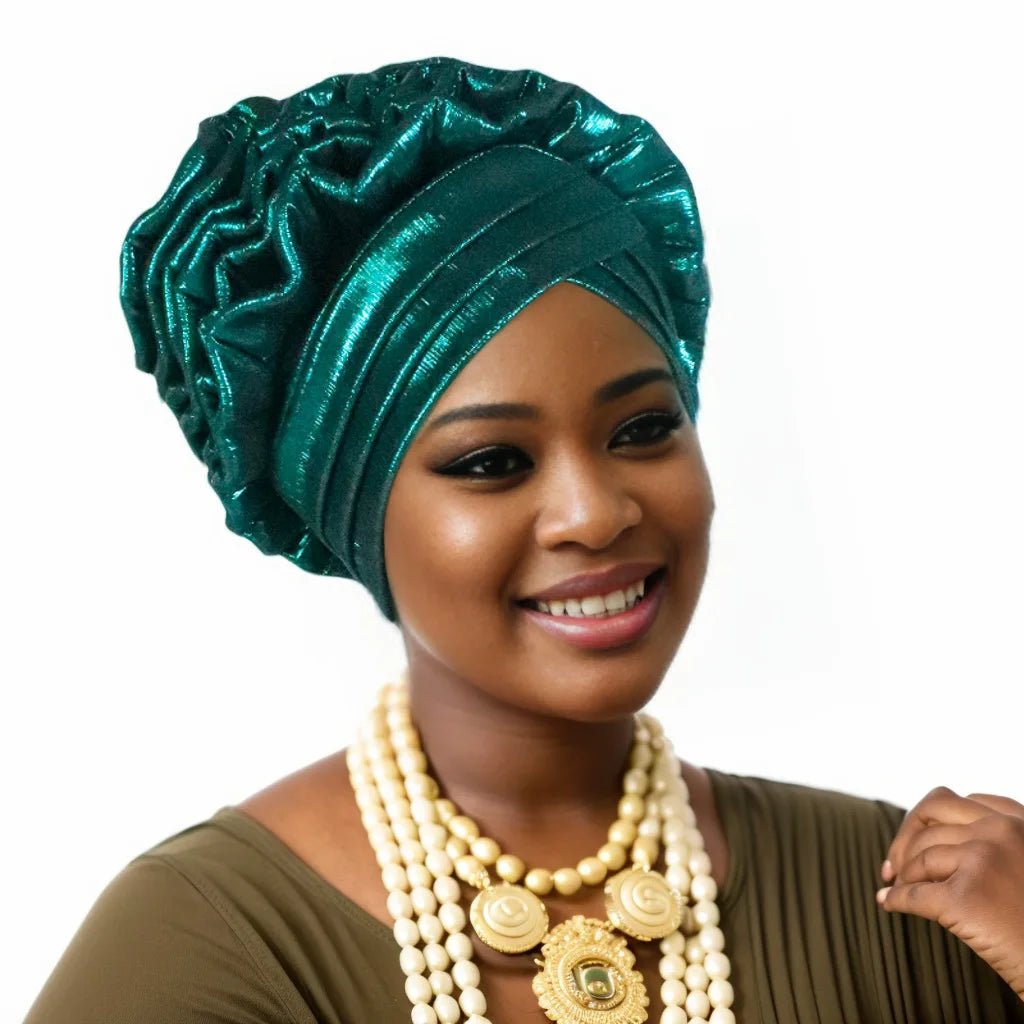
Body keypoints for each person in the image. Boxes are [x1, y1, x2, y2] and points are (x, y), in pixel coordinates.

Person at [25, 56, 1024, 1024]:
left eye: (641, 430)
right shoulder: (206, 945)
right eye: (491, 461)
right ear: (356, 515)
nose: (594, 512)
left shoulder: (908, 895)